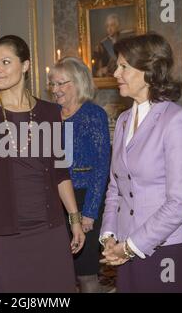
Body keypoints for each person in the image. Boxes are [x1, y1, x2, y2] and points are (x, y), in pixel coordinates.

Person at [0, 35, 85, 293]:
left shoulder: (49, 113)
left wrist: (74, 218)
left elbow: (60, 171)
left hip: (49, 230)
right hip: (4, 235)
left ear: (26, 65)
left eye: (5, 62)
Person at [99, 32, 182, 292]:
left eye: (123, 67)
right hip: (124, 247)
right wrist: (109, 235)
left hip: (165, 248)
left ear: (149, 70)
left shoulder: (177, 120)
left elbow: (179, 203)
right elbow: (115, 188)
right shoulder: (121, 121)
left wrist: (131, 246)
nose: (116, 73)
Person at [49, 56, 110, 292]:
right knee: (59, 272)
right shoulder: (50, 115)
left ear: (78, 82)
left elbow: (102, 167)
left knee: (86, 274)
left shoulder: (94, 115)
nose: (55, 90)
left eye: (61, 83)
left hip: (86, 200)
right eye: (52, 84)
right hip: (55, 202)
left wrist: (90, 214)